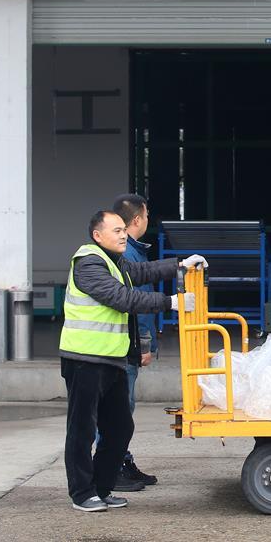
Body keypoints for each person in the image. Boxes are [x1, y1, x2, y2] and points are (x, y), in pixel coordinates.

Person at [60, 210, 206, 512]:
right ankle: (82, 493)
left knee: (119, 428)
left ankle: (101, 488)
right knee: (82, 429)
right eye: (116, 230)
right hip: (84, 359)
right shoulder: (88, 264)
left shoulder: (116, 262)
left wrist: (179, 266)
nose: (123, 234)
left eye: (124, 229)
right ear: (98, 236)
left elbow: (142, 273)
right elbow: (122, 297)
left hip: (111, 359)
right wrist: (171, 303)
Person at [107, 194, 161, 490]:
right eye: (147, 215)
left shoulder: (133, 252)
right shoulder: (128, 254)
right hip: (123, 348)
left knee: (123, 409)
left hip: (125, 346)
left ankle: (121, 461)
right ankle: (112, 468)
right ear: (137, 219)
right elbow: (135, 303)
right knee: (118, 410)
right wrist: (144, 343)